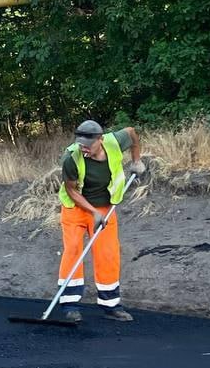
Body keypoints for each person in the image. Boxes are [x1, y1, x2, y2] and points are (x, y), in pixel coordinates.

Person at [57, 120, 147, 322]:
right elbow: (71, 190)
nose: (84, 149)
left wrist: (136, 160)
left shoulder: (114, 141)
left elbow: (132, 133)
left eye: (88, 146)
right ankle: (69, 306)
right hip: (76, 209)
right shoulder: (71, 157)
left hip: (105, 207)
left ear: (101, 139)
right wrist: (92, 212)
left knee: (108, 254)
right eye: (81, 145)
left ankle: (111, 305)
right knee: (72, 250)